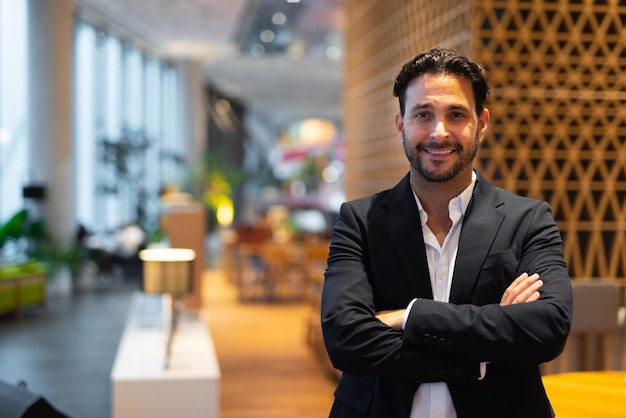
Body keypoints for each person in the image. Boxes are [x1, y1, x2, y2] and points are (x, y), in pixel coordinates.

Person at [320, 47, 573, 418]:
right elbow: (345, 339)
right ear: (400, 124)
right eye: (423, 114)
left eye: (456, 114)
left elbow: (547, 327)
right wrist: (482, 349)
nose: (439, 132)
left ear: (481, 123)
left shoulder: (528, 219)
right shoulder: (360, 221)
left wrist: (409, 316)